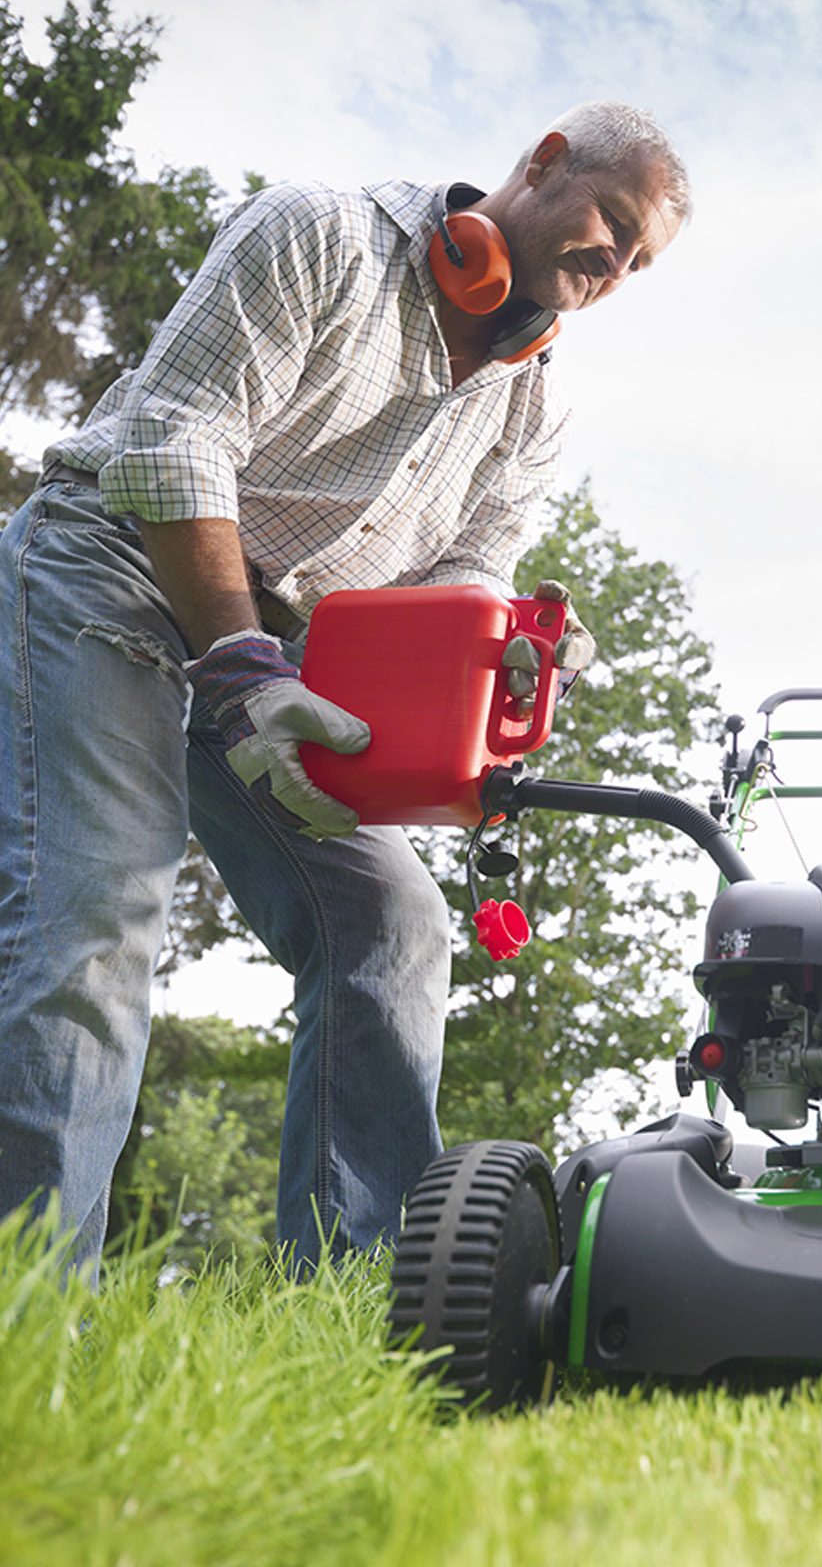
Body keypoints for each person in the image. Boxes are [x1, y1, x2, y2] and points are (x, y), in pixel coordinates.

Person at [0, 99, 690, 1273]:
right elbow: (177, 443)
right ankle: (29, 1310)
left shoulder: (537, 401)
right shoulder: (317, 237)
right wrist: (240, 666)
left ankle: (359, 1295)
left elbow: (467, 573)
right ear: (544, 163)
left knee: (394, 916)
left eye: (638, 261)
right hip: (111, 568)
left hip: (282, 663)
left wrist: (497, 668)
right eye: (609, 224)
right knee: (100, 912)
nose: (611, 267)